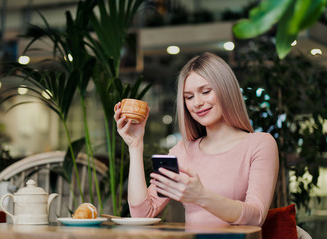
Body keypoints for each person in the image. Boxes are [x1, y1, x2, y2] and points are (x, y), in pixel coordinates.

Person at [114, 52, 279, 227]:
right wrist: (135, 145)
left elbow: (257, 216)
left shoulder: (260, 144)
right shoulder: (182, 151)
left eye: (206, 92)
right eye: (189, 97)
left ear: (226, 90)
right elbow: (142, 214)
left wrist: (201, 196)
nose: (197, 103)